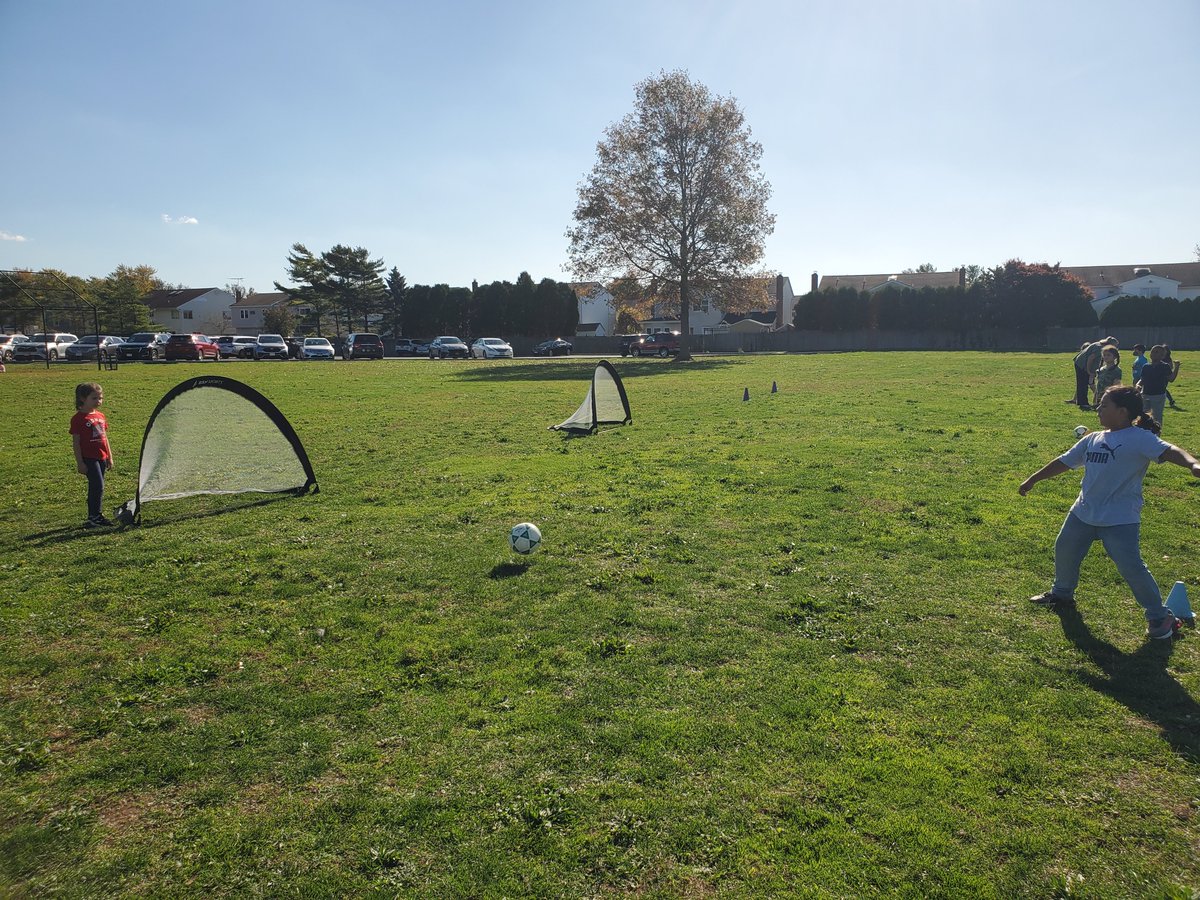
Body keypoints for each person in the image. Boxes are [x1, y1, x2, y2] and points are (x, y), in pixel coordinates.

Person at [1020, 385, 1200, 639]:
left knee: (1131, 568)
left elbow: (1169, 451)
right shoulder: (1093, 438)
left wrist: (1193, 463)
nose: (1098, 409)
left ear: (1123, 411)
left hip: (1120, 519)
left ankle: (1160, 617)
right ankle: (1061, 595)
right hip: (1083, 511)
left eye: (1104, 405)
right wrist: (1033, 479)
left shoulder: (1140, 438)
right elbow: (1064, 461)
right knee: (1065, 550)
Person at [70, 382, 115, 528]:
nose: (99, 401)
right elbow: (76, 443)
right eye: (94, 398)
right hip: (89, 458)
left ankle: (95, 515)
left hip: (101, 456)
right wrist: (80, 463)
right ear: (83, 399)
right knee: (97, 485)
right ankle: (94, 516)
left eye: (100, 398)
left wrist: (109, 456)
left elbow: (104, 437)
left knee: (98, 486)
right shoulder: (78, 419)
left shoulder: (100, 416)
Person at [1135, 344, 1179, 426]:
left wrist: (1176, 367)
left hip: (1158, 395)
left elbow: (1171, 379)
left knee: (1157, 416)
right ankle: (1144, 431)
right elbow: (1143, 379)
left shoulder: (1165, 366)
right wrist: (1138, 385)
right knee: (1144, 415)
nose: (1153, 354)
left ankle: (1156, 433)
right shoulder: (1146, 366)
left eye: (1157, 352)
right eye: (1152, 352)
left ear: (1162, 356)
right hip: (1145, 394)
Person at [1070, 336, 1117, 410]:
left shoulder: (1100, 345)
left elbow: (1099, 360)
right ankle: (1083, 403)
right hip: (1081, 364)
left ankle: (1081, 401)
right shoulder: (1100, 348)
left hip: (1082, 363)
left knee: (1083, 383)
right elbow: (1090, 359)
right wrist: (1089, 371)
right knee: (1083, 383)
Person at [1163, 345, 1179, 409]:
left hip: (1165, 376)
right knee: (1163, 389)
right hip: (1159, 375)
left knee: (1163, 388)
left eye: (1165, 350)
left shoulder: (1168, 358)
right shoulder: (1160, 357)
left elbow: (1171, 367)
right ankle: (1171, 401)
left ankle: (1171, 400)